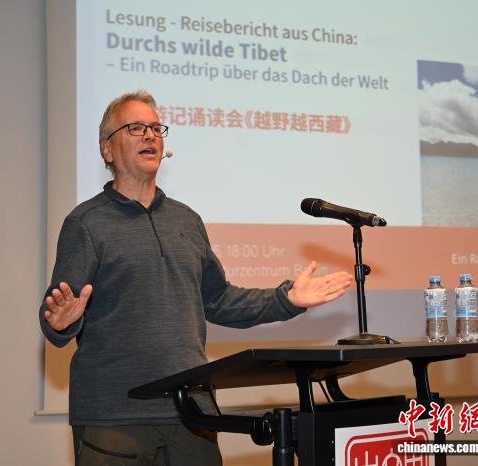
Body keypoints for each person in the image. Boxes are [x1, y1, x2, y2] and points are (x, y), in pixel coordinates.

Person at [39, 90, 353, 466]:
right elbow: (59, 312)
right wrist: (59, 323)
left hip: (191, 411)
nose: (150, 135)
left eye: (156, 128)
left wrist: (287, 299)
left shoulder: (186, 220)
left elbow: (218, 300)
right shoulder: (86, 223)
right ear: (107, 149)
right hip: (116, 415)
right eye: (135, 127)